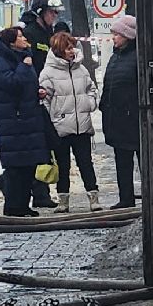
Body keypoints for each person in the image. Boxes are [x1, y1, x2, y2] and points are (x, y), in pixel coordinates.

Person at [0, 27, 51, 217]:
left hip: (27, 119)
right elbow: (12, 83)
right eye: (20, 36)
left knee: (28, 165)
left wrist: (37, 91)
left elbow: (26, 85)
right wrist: (25, 66)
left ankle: (23, 205)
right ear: (12, 42)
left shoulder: (23, 57)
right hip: (13, 122)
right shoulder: (2, 61)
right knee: (16, 167)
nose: (24, 39)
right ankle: (14, 207)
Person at [38, 30, 101, 211]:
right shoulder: (48, 72)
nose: (72, 50)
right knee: (63, 165)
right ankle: (63, 201)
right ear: (58, 50)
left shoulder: (81, 69)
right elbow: (45, 99)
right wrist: (54, 118)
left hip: (82, 125)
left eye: (73, 47)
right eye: (68, 48)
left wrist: (89, 104)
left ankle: (93, 197)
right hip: (60, 127)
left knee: (86, 163)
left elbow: (92, 90)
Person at [18, 0, 67, 206]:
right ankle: (40, 194)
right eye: (51, 12)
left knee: (47, 145)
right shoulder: (30, 34)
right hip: (35, 98)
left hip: (48, 97)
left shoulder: (49, 33)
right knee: (41, 146)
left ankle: (38, 191)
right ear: (40, 12)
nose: (54, 16)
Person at [99, 14, 139, 208]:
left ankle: (150, 197)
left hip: (134, 118)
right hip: (117, 119)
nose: (113, 37)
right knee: (122, 162)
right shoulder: (115, 57)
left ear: (128, 35)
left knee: (142, 161)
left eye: (117, 34)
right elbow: (109, 85)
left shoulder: (137, 56)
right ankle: (126, 198)